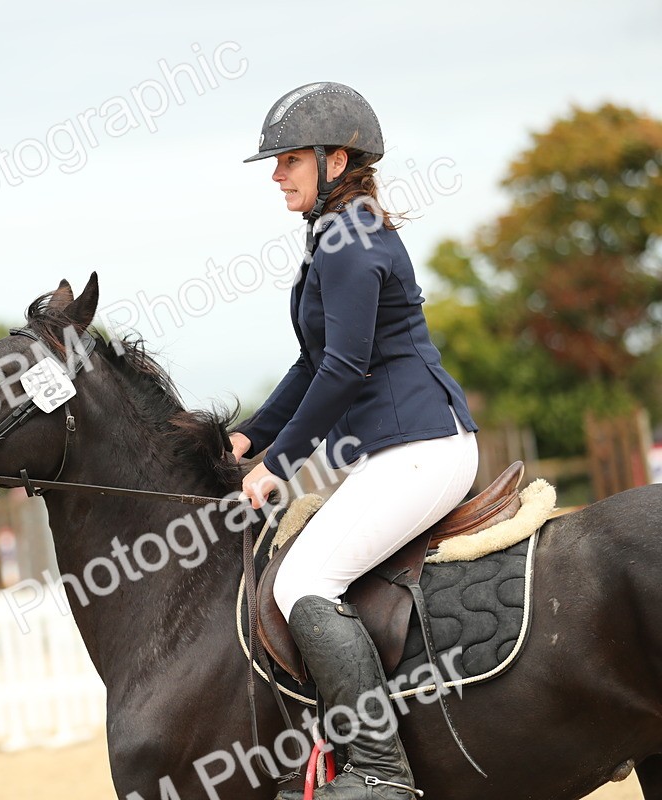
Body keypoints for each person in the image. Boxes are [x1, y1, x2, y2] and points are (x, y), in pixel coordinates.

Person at [229, 82, 479, 799]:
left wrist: (279, 465)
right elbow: (313, 363)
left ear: (334, 159)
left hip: (421, 448)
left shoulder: (351, 239)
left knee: (306, 580)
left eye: (287, 160)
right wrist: (250, 437)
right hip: (400, 450)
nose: (277, 174)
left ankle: (378, 769)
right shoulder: (337, 236)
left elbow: (344, 367)